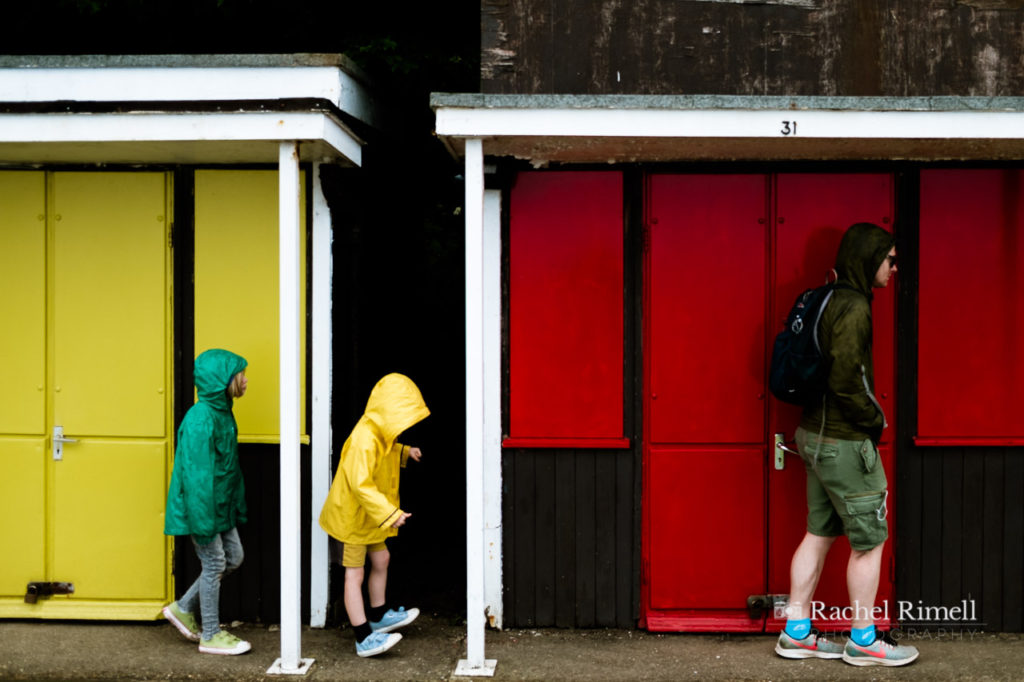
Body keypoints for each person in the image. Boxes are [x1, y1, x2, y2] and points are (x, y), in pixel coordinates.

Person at [775, 223, 919, 667]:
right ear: (868, 257)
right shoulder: (854, 305)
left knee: (818, 533)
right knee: (869, 540)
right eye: (890, 259)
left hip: (813, 438)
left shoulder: (825, 296)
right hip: (843, 442)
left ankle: (796, 631)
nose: (894, 268)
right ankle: (864, 640)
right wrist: (875, 420)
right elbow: (846, 381)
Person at [319, 373, 430, 658]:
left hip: (369, 517)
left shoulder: (380, 432)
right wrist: (390, 513)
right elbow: (360, 483)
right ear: (388, 412)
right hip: (353, 519)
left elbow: (387, 450)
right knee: (353, 575)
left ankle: (379, 616)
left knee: (382, 559)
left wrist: (405, 452)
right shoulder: (363, 438)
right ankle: (363, 637)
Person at [162, 349, 252, 655]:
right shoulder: (201, 418)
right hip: (204, 510)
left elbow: (227, 469)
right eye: (241, 376)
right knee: (214, 562)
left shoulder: (223, 413)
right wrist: (202, 521)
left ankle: (183, 607)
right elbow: (197, 477)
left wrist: (232, 506)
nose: (246, 380)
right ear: (223, 381)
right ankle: (211, 634)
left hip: (219, 507)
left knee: (234, 557)